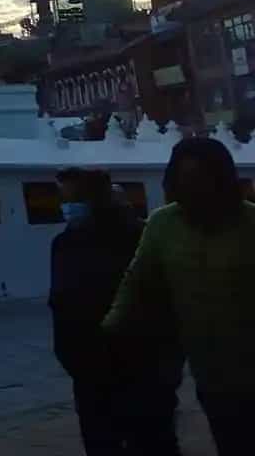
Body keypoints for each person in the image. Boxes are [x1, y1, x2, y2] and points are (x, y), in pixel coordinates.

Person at [105, 137, 255, 456]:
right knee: (232, 441)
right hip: (210, 369)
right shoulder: (162, 224)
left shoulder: (251, 222)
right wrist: (112, 324)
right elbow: (137, 280)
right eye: (183, 180)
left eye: (201, 179)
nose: (193, 189)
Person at [49, 167, 182, 455]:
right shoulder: (69, 243)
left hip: (121, 367)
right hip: (124, 368)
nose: (66, 207)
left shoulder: (137, 237)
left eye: (71, 199)